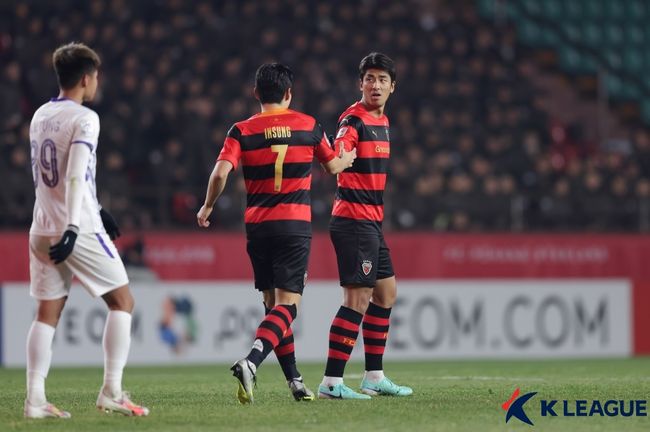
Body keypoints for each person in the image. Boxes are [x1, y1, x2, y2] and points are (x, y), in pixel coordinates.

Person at [196, 63, 356, 404]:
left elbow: (220, 173)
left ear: (256, 93)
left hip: (257, 227)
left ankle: (295, 381)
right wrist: (350, 156)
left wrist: (208, 206)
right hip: (294, 226)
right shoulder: (309, 125)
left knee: (273, 307)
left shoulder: (240, 130)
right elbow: (332, 166)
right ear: (288, 93)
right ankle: (252, 362)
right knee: (289, 306)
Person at [25, 42, 149, 418]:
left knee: (47, 312)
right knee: (123, 302)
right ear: (85, 78)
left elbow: (55, 177)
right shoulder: (85, 118)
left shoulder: (40, 115)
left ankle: (34, 400)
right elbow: (76, 171)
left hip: (41, 226)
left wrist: (98, 206)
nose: (97, 83)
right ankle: (111, 390)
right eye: (95, 77)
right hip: (74, 228)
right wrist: (77, 225)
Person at [318, 52, 413, 400]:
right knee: (356, 298)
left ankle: (373, 376)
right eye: (369, 78)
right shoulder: (352, 120)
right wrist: (340, 156)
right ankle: (331, 382)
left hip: (371, 221)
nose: (375, 85)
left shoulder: (383, 121)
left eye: (382, 79)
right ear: (360, 84)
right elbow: (339, 150)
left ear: (392, 87)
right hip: (354, 220)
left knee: (386, 293)